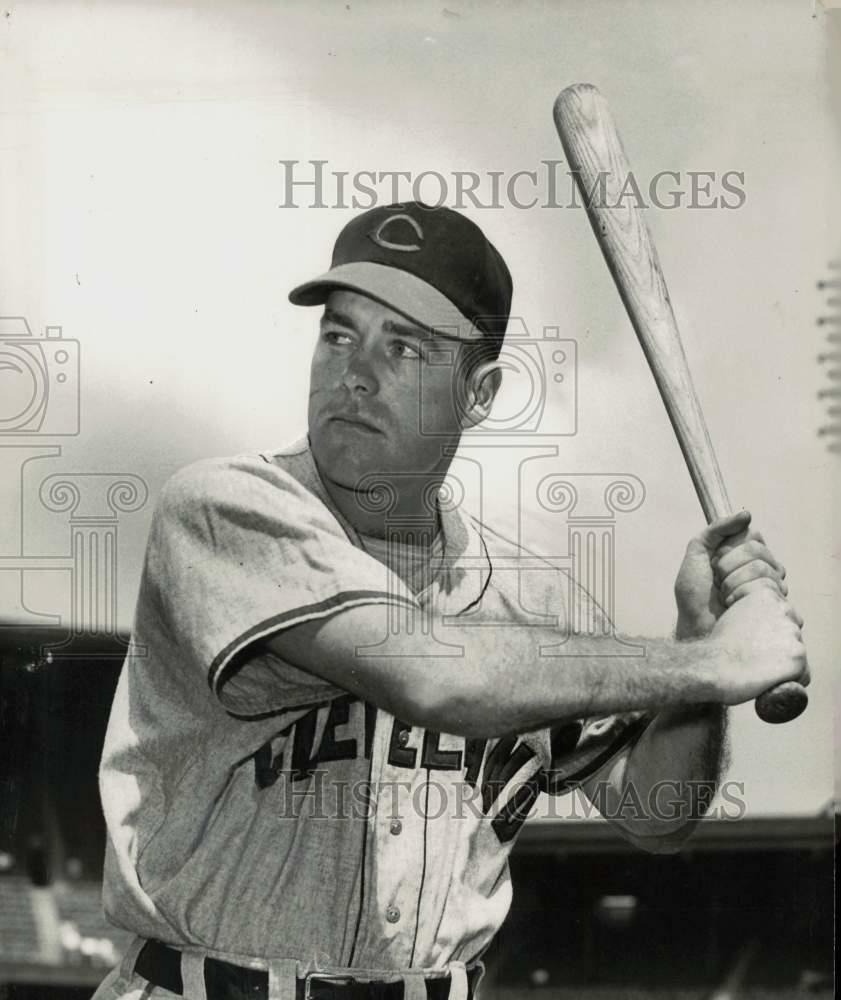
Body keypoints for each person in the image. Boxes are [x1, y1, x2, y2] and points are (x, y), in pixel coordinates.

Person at [92, 202, 807, 1000]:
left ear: (480, 392)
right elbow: (434, 678)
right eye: (338, 335)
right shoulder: (225, 508)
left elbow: (657, 810)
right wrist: (712, 662)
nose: (355, 371)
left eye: (405, 347)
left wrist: (699, 653)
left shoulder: (531, 601)